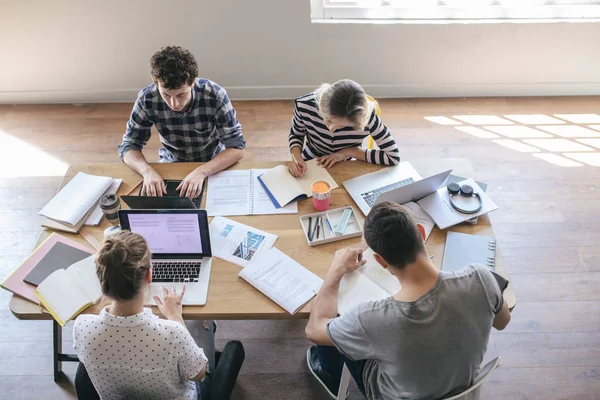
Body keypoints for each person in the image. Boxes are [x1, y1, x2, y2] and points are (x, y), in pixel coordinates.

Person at [304, 201, 511, 400]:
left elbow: (314, 330)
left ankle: (330, 376)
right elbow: (502, 322)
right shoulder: (481, 278)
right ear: (421, 233)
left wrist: (335, 270)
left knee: (340, 325)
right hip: (461, 390)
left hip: (392, 394)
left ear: (380, 261)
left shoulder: (370, 319)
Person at [73, 231, 216, 399]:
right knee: (204, 341)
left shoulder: (82, 327)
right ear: (149, 275)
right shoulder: (172, 333)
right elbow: (198, 374)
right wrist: (176, 318)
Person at [118, 46, 246, 198]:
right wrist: (147, 171)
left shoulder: (215, 95)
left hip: (213, 162)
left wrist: (201, 172)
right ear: (155, 83)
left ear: (192, 82)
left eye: (181, 95)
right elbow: (129, 146)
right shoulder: (147, 98)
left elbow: (237, 148)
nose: (174, 104)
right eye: (166, 95)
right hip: (171, 161)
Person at [288, 79, 400, 178]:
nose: (331, 130)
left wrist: (348, 152)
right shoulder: (304, 106)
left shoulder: (367, 118)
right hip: (311, 158)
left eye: (341, 127)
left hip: (348, 163)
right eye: (328, 119)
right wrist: (297, 158)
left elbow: (393, 157)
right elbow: (296, 134)